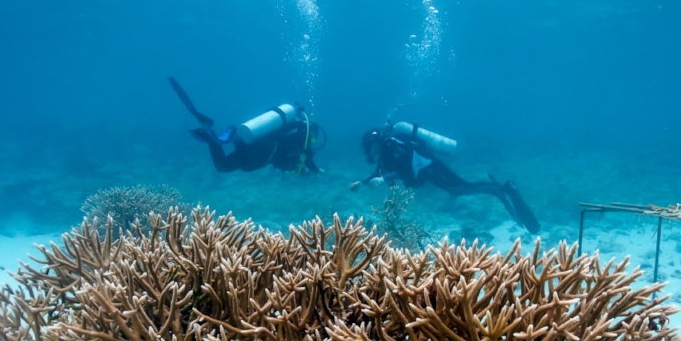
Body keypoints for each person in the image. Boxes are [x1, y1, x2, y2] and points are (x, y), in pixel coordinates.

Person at [352, 121, 541, 234]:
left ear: (377, 143)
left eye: (371, 146)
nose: (370, 151)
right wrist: (362, 183)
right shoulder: (387, 152)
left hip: (433, 168)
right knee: (459, 189)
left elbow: (404, 168)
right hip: (429, 171)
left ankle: (505, 188)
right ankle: (498, 189)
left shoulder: (393, 146)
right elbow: (379, 172)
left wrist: (385, 179)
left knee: (461, 188)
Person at [169, 77, 325, 174]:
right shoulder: (303, 135)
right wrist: (317, 171)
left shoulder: (294, 127)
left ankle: (226, 134)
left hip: (255, 144)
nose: (313, 141)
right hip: (261, 152)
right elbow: (303, 155)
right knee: (223, 167)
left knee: (224, 165)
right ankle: (215, 135)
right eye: (313, 139)